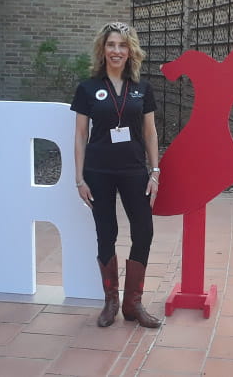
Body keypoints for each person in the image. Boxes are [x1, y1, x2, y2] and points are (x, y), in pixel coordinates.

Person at [71, 21, 162, 329]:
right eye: (111, 45)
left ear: (130, 51)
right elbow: (80, 134)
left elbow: (150, 133)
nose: (116, 51)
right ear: (103, 49)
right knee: (106, 233)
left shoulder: (143, 89)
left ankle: (132, 304)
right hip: (99, 172)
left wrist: (155, 171)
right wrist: (79, 178)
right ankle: (111, 301)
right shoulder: (87, 88)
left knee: (144, 232)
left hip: (135, 171)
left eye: (122, 45)